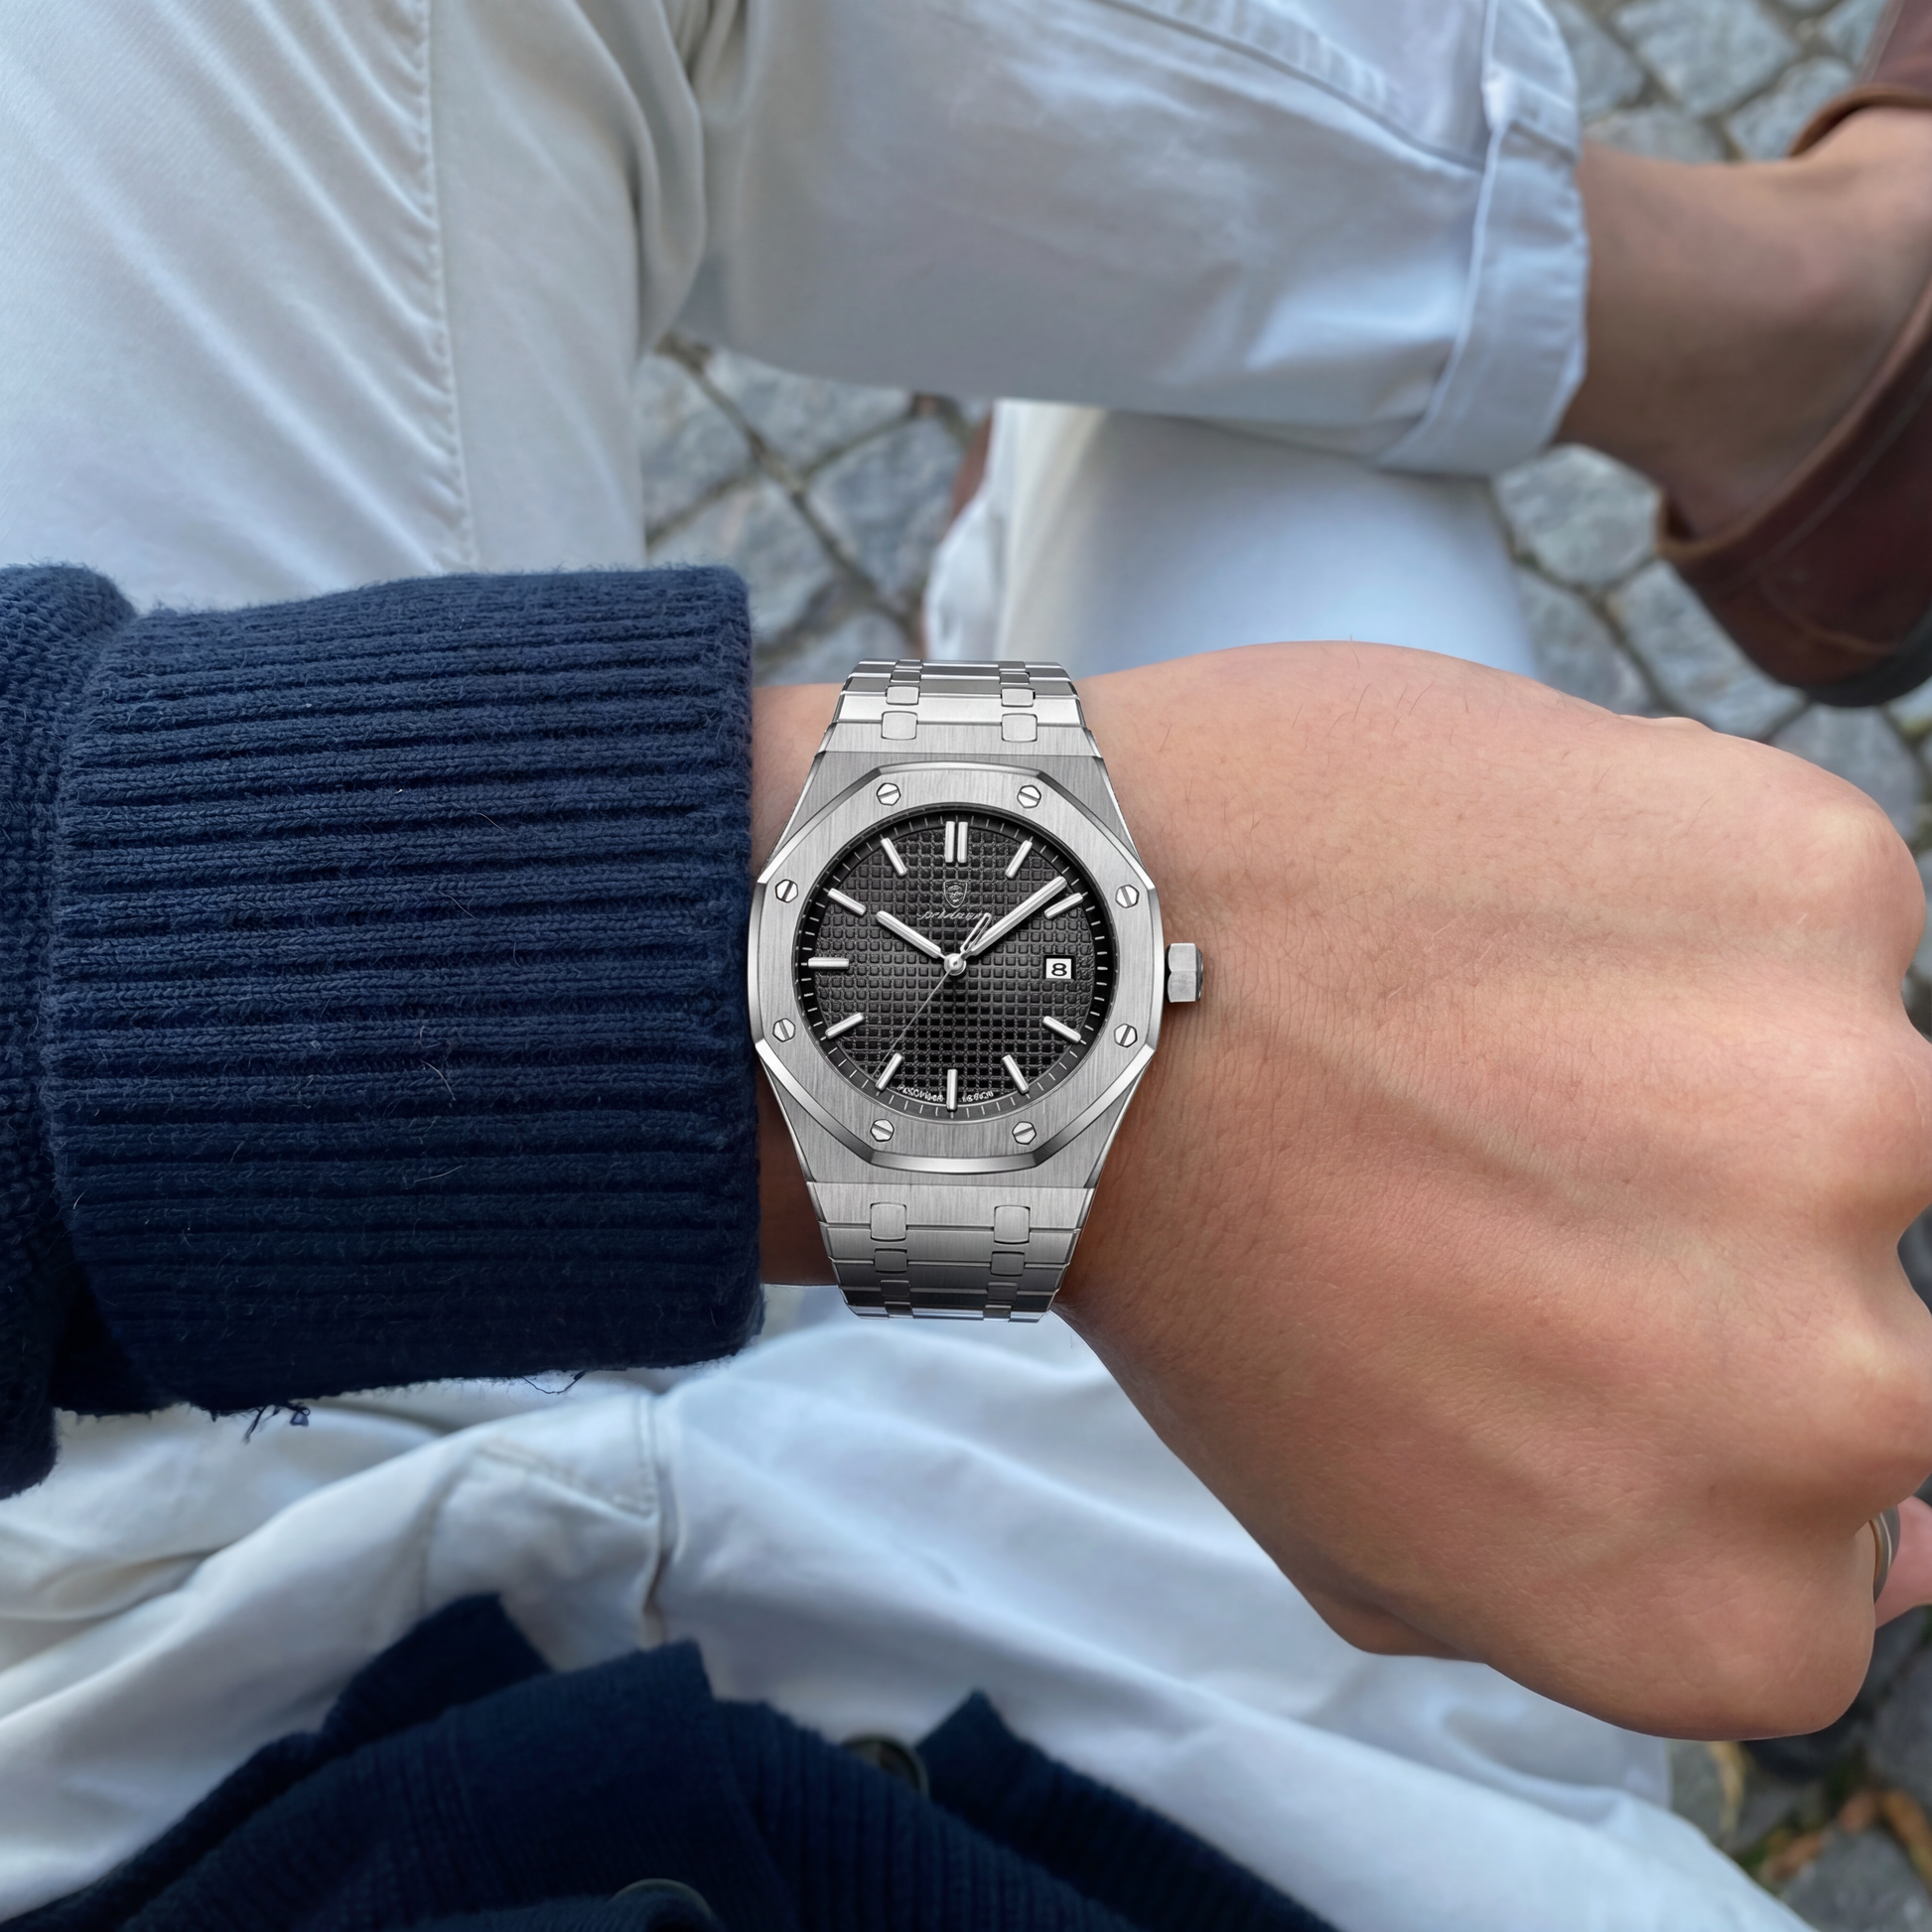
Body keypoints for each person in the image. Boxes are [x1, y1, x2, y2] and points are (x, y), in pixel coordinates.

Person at [4, 0, 1932, 1925]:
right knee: (1221, 396)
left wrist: (983, 997)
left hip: (131, 1652)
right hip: (1297, 1801)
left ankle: (1803, 339)